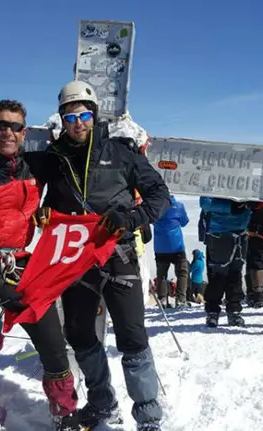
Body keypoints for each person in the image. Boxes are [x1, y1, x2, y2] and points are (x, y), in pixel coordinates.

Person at [31, 80, 170, 431]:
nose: (78, 122)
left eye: (84, 114)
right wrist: (43, 212)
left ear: (94, 115)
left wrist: (131, 218)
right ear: (62, 119)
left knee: (132, 335)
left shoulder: (121, 151)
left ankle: (149, 416)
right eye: (71, 115)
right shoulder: (54, 158)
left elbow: (159, 195)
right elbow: (35, 196)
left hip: (117, 252)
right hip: (75, 258)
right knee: (77, 332)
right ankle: (103, 404)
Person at [0, 100, 80, 431]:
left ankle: (65, 414)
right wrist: (0, 288)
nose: (8, 132)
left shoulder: (35, 167)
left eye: (16, 127)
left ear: (24, 134)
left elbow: (78, 157)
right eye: (1, 125)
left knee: (53, 346)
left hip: (21, 262)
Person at [198, 197, 253, 327]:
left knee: (235, 273)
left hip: (241, 230)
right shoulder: (215, 178)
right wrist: (231, 207)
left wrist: (252, 205)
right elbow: (205, 202)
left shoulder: (249, 178)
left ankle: (234, 310)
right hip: (219, 231)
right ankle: (213, 311)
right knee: (218, 274)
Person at [152, 194, 190, 308]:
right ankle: (181, 299)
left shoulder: (155, 207)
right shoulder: (178, 206)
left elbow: (151, 220)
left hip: (160, 246)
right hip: (176, 245)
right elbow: (184, 222)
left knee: (161, 275)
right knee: (182, 273)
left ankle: (162, 299)